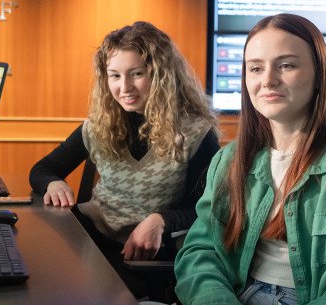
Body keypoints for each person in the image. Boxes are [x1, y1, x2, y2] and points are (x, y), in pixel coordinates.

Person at [174, 13, 326, 305]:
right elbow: (201, 251)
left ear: (318, 74)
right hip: (235, 294)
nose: (268, 80)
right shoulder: (229, 160)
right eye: (256, 68)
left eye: (286, 65)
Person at [29, 21, 219, 298]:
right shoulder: (98, 125)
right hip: (93, 241)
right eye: (114, 76)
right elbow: (43, 169)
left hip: (150, 254)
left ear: (161, 74)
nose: (124, 87)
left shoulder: (197, 133)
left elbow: (206, 208)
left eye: (137, 74)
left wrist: (159, 220)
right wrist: (53, 183)